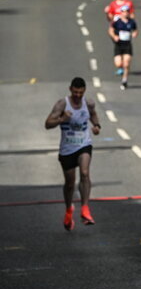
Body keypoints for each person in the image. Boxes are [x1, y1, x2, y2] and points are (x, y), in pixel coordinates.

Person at [44, 77, 101, 230]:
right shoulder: (62, 104)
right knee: (70, 184)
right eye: (75, 92)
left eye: (80, 93)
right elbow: (47, 124)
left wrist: (96, 126)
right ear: (70, 89)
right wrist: (62, 118)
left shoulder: (88, 103)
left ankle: (85, 208)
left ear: (84, 91)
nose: (77, 95)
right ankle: (69, 210)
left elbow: (93, 114)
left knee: (84, 172)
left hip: (84, 144)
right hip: (67, 148)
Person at [108, 5, 138, 89]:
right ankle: (121, 68)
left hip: (127, 45)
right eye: (123, 12)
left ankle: (124, 80)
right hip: (119, 45)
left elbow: (135, 30)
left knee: (126, 63)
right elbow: (110, 30)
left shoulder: (132, 22)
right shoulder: (117, 22)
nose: (125, 13)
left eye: (127, 12)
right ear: (121, 13)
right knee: (118, 63)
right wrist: (114, 36)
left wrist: (135, 34)